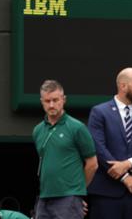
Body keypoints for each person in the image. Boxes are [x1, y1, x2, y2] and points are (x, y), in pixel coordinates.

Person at [87, 67, 132, 219]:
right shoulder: (99, 112)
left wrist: (127, 164)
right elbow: (98, 149)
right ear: (123, 86)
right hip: (107, 194)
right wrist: (125, 177)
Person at [33, 80, 98, 219]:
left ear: (63, 100)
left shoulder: (77, 127)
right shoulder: (37, 130)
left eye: (55, 100)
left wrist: (77, 193)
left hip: (68, 198)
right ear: (41, 102)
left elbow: (92, 164)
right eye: (47, 101)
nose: (51, 105)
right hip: (44, 197)